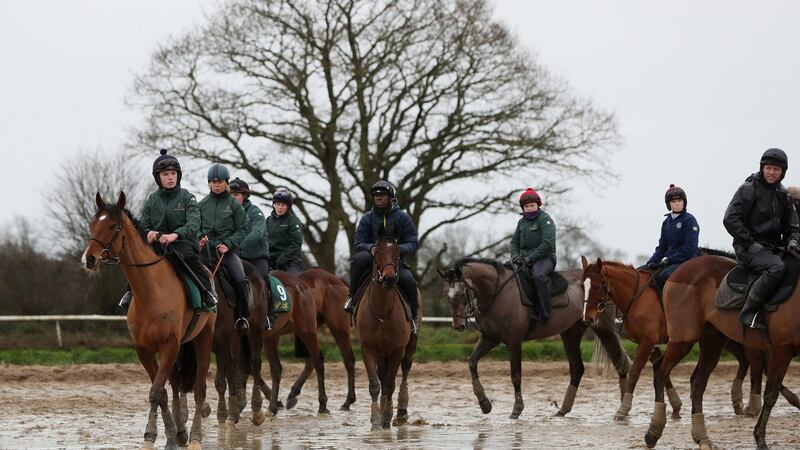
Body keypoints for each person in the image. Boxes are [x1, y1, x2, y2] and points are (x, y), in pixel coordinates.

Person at [119, 149, 217, 309]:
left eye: (173, 173)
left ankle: (207, 292)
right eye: (165, 174)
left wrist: (175, 235)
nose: (170, 177)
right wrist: (148, 233)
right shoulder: (152, 199)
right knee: (138, 257)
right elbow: (144, 224)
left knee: (186, 257)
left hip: (182, 244)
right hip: (158, 244)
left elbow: (194, 223)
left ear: (178, 175)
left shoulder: (187, 197)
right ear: (158, 177)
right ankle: (129, 291)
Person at [723, 148, 800, 329]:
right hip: (748, 248)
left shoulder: (783, 195)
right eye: (768, 168)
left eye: (776, 169)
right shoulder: (748, 189)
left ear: (782, 172)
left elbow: (793, 227)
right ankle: (749, 311)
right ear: (762, 168)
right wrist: (749, 242)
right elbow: (730, 219)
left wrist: (792, 241)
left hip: (773, 248)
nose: (772, 172)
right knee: (776, 268)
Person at [344, 180, 420, 333]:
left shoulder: (403, 218)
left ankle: (413, 317)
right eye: (376, 195)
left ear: (390, 197)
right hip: (372, 259)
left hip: (395, 260)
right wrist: (370, 248)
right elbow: (358, 242)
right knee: (358, 260)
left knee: (409, 281)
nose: (378, 197)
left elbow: (413, 242)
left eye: (382, 194)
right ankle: (352, 298)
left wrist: (397, 250)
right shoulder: (367, 218)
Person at [199, 164, 252, 332]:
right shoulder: (201, 204)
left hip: (226, 252)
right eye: (213, 182)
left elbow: (243, 229)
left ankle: (242, 317)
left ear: (226, 182)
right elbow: (195, 226)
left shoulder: (234, 205)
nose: (216, 184)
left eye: (220, 181)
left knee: (240, 278)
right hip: (205, 251)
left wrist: (228, 244)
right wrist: (200, 237)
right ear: (208, 183)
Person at [229, 177, 275, 330]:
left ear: (244, 196)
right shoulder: (227, 213)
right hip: (237, 257)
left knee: (263, 279)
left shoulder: (255, 212)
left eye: (236, 194)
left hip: (257, 257)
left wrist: (237, 245)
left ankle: (269, 315)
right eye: (231, 194)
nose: (233, 197)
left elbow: (257, 232)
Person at [640, 184, 700, 288]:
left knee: (663, 276)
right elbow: (662, 247)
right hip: (670, 261)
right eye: (673, 202)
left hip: (686, 261)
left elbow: (690, 248)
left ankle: (665, 303)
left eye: (679, 201)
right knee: (640, 272)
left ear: (684, 202)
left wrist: (669, 259)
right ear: (669, 204)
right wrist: (652, 261)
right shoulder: (666, 222)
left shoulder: (689, 220)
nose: (677, 204)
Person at [510, 188, 556, 324]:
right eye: (526, 206)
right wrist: (515, 257)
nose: (529, 208)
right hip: (524, 260)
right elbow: (514, 242)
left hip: (545, 258)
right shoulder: (521, 223)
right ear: (523, 208)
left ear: (538, 205)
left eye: (532, 205)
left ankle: (544, 312)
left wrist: (530, 258)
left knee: (538, 276)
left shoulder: (545, 220)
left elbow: (547, 244)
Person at [265, 189, 304, 276]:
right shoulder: (267, 221)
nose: (280, 207)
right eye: (278, 204)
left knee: (296, 283)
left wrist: (282, 260)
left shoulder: (293, 221)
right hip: (270, 260)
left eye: (283, 205)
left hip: (290, 261)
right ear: (273, 205)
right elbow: (263, 241)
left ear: (288, 207)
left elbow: (296, 244)